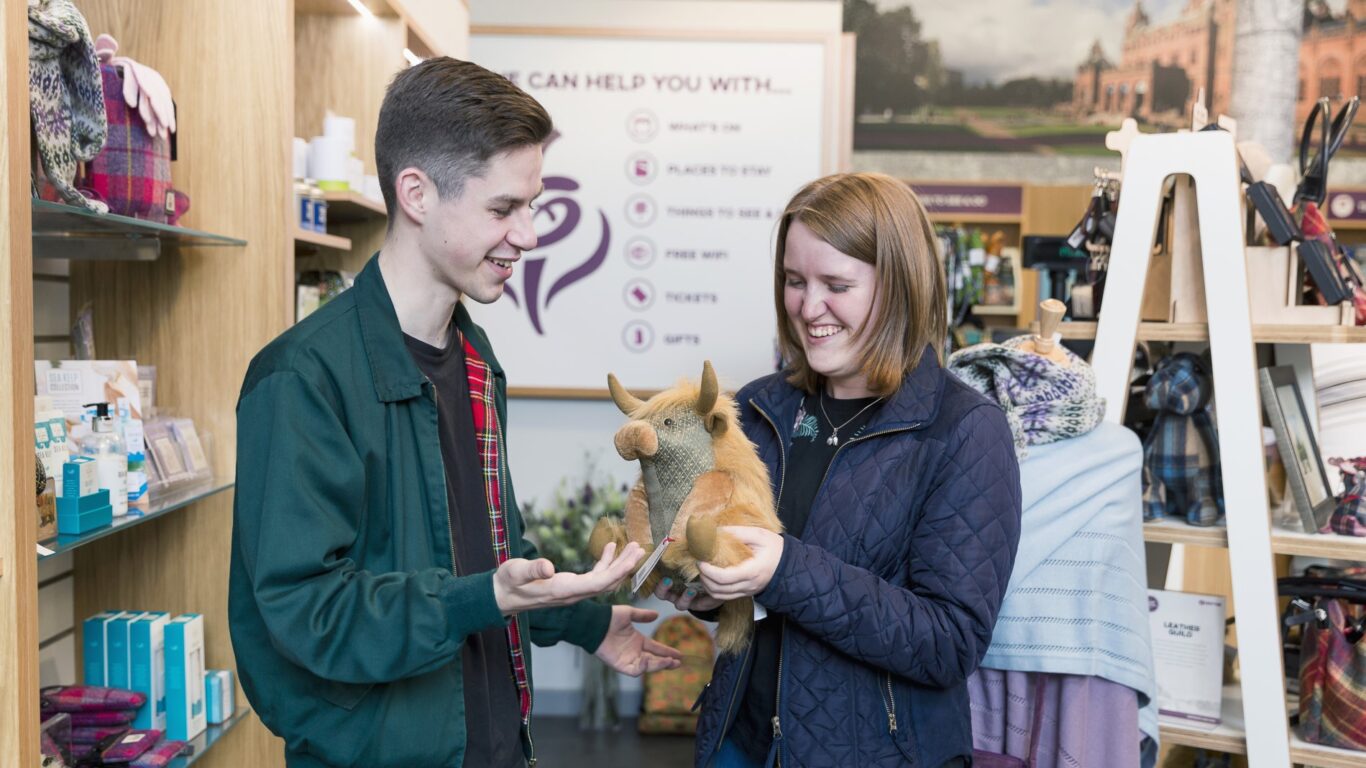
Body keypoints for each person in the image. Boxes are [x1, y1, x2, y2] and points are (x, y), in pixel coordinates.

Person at [229, 57, 681, 768]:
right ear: (417, 193)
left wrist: (587, 623)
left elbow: (488, 559)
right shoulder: (302, 378)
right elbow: (305, 614)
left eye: (532, 205)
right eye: (504, 209)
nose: (529, 235)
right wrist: (480, 598)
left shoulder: (475, 359)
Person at [657, 172, 1023, 767]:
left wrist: (784, 569)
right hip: (739, 742)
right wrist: (707, 587)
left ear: (901, 285)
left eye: (837, 284)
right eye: (795, 281)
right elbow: (746, 585)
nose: (808, 306)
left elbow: (949, 643)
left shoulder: (963, 429)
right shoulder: (758, 408)